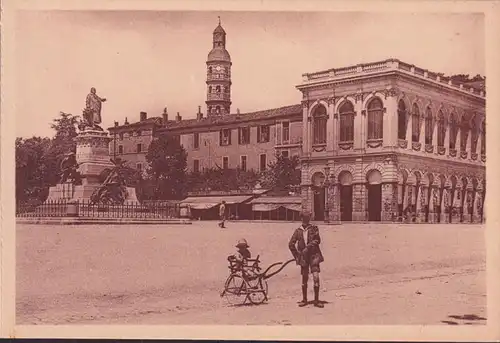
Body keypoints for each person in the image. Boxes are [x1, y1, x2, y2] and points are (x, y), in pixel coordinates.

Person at [288, 211, 324, 308]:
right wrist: (297, 256)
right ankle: (304, 300)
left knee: (316, 277)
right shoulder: (298, 231)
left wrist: (307, 248)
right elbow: (291, 244)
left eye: (308, 218)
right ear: (302, 219)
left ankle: (316, 301)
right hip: (303, 258)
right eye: (305, 218)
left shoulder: (314, 228)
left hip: (314, 256)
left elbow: (317, 240)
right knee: (304, 278)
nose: (307, 219)